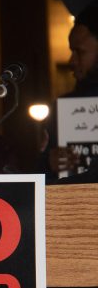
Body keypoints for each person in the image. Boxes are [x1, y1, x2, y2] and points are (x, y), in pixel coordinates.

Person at [41, 21, 98, 179]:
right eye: (72, 51)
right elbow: (40, 177)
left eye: (80, 52)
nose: (71, 61)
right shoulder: (62, 109)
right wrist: (49, 163)